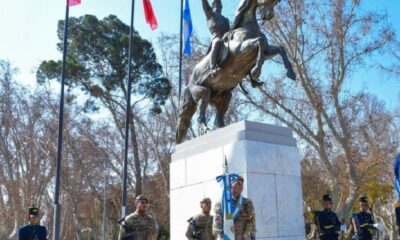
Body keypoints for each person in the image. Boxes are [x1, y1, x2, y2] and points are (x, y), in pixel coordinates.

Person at [213, 176, 256, 240]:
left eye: (242, 184)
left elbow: (251, 220)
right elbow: (217, 223)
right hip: (227, 238)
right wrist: (221, 237)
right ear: (230, 185)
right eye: (238, 184)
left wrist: (247, 233)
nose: (241, 187)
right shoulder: (221, 203)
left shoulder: (247, 202)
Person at [201, 0, 230, 74]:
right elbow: (206, 7)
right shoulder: (210, 14)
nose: (218, 7)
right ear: (213, 6)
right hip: (217, 36)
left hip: (227, 38)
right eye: (216, 5)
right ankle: (212, 68)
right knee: (217, 42)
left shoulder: (226, 19)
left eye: (220, 6)